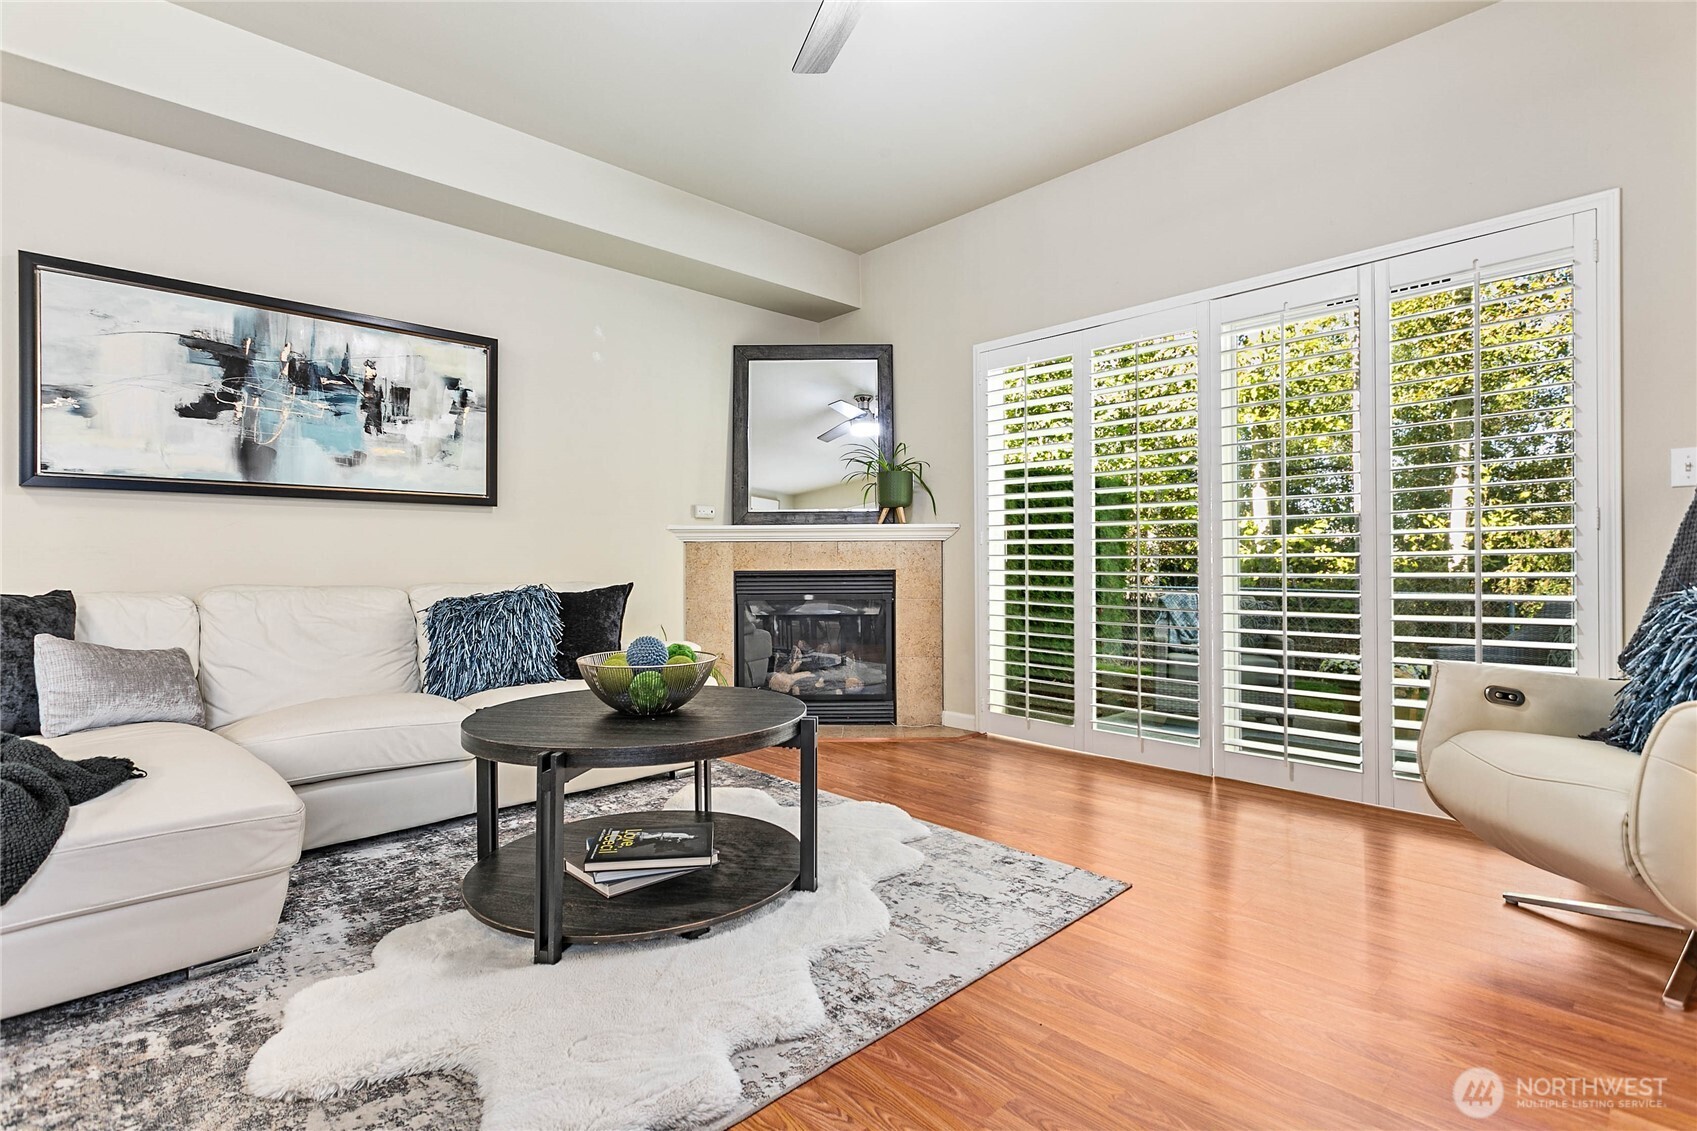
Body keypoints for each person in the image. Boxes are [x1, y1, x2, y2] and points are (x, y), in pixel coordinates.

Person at [360, 361, 384, 435]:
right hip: (371, 398)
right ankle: (375, 428)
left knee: (375, 411)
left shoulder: (370, 379)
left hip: (372, 397)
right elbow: (367, 391)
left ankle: (375, 428)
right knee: (374, 411)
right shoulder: (368, 380)